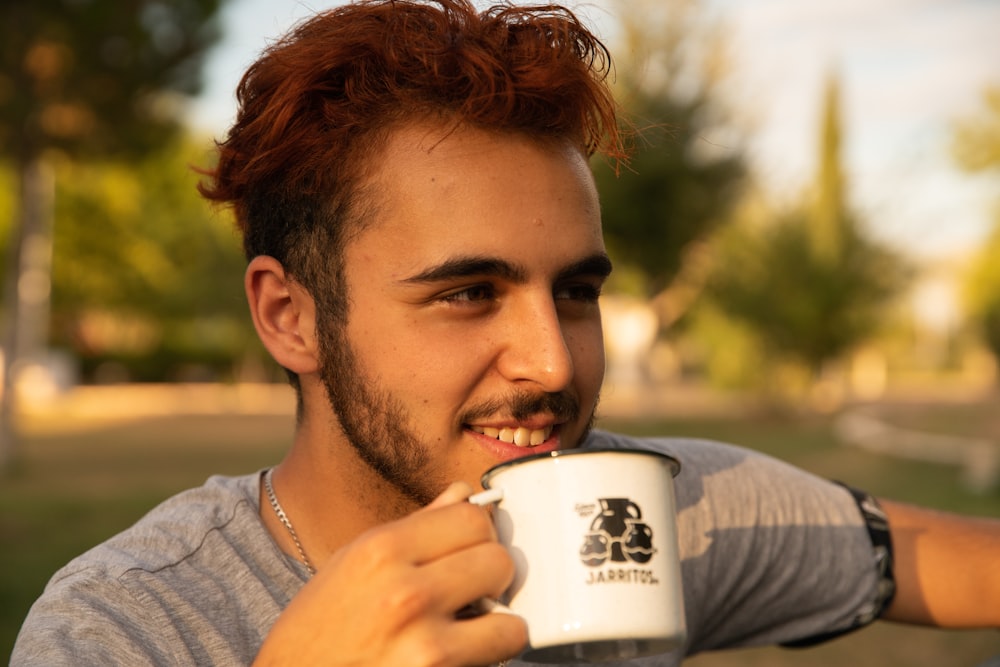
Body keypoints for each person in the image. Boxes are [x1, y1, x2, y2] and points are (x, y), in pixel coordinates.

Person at [11, 1, 1000, 665]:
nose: (554, 361)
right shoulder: (126, 626)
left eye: (575, 292)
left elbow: (917, 550)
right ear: (289, 316)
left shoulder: (637, 517)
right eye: (467, 293)